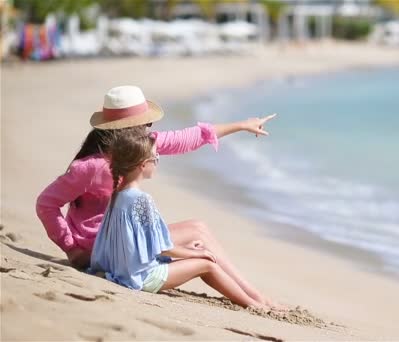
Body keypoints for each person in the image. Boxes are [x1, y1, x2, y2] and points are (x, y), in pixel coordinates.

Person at [36, 85, 279, 307]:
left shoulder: (135, 150)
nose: (150, 130)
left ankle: (252, 295)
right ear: (129, 130)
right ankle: (257, 298)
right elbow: (47, 203)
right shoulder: (90, 167)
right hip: (102, 249)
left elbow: (188, 138)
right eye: (146, 124)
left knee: (196, 232)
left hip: (122, 241)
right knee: (198, 232)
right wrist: (71, 248)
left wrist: (242, 124)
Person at [89, 131, 265, 308]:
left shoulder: (118, 195)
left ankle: (254, 300)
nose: (157, 162)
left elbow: (141, 245)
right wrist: (195, 253)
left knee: (198, 251)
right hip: (143, 277)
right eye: (155, 158)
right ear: (143, 165)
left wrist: (187, 249)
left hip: (123, 270)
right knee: (207, 265)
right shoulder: (141, 200)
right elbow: (161, 248)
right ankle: (254, 304)